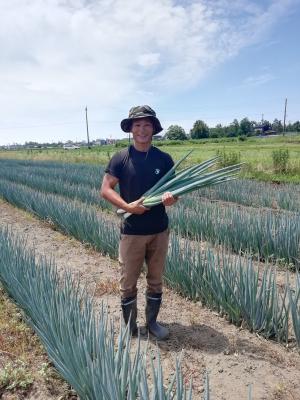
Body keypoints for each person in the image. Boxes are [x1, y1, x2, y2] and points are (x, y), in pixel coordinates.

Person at [100, 105, 177, 340]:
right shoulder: (121, 158)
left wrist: (171, 199)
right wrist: (128, 207)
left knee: (155, 280)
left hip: (159, 231)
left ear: (153, 129)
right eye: (137, 125)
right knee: (128, 282)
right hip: (132, 232)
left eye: (147, 125)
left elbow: (174, 192)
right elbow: (105, 189)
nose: (142, 130)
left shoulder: (163, 159)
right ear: (131, 129)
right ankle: (130, 327)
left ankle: (152, 323)